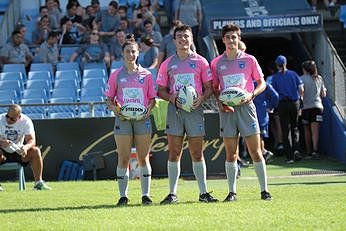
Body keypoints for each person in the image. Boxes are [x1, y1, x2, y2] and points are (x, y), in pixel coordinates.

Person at [157, 24, 218, 204]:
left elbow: (210, 87)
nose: (183, 39)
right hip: (175, 110)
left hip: (194, 110)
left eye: (186, 36)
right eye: (180, 37)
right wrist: (171, 99)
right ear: (174, 41)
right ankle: (172, 194)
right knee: (174, 152)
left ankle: (203, 193)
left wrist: (201, 98)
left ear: (191, 39)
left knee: (197, 153)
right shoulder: (167, 63)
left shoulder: (201, 62)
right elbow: (160, 90)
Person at [210, 23, 272, 201]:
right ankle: (232, 193)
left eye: (234, 37)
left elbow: (262, 83)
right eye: (228, 37)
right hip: (227, 110)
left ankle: (264, 191)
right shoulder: (216, 63)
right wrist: (220, 100)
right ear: (223, 40)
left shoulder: (250, 60)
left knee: (255, 151)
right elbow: (214, 87)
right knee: (231, 153)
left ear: (239, 39)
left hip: (246, 108)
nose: (231, 40)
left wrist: (251, 94)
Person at [105, 38, 156, 207]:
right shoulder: (116, 75)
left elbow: (152, 99)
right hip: (123, 120)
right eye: (127, 51)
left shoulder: (147, 75)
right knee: (124, 158)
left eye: (133, 51)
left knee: (143, 158)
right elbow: (109, 99)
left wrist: (149, 110)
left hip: (142, 120)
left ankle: (146, 195)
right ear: (122, 54)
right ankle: (123, 196)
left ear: (138, 53)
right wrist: (115, 110)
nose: (131, 54)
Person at [0, 105, 52, 191]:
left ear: (19, 117)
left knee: (35, 151)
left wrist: (25, 147)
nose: (9, 120)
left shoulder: (26, 121)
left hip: (18, 151)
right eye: (7, 116)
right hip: (2, 151)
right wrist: (1, 143)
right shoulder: (0, 119)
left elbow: (32, 140)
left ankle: (38, 183)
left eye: (12, 119)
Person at [271, 55, 304, 164]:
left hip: (282, 104)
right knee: (295, 127)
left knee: (285, 129)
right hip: (294, 103)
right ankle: (296, 150)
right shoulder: (293, 74)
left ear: (277, 65)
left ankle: (289, 156)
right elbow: (301, 88)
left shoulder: (275, 77)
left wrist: (273, 106)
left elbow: (274, 93)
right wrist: (301, 100)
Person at [300, 60, 327, 159]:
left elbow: (301, 92)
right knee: (315, 131)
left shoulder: (301, 79)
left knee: (307, 130)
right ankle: (316, 151)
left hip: (306, 107)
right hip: (318, 107)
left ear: (304, 69)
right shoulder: (319, 78)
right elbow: (323, 94)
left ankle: (308, 152)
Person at [253, 81, 279, 163]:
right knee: (259, 136)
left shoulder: (250, 83)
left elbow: (276, 96)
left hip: (258, 115)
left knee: (258, 136)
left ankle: (263, 153)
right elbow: (275, 96)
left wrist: (270, 106)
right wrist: (270, 107)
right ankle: (264, 153)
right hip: (261, 114)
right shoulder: (264, 84)